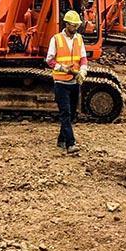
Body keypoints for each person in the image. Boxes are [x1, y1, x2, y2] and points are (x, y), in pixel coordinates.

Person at [46, 10, 88, 154]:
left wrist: (82, 71)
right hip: (61, 82)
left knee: (71, 114)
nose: (75, 28)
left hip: (74, 82)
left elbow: (83, 58)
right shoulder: (56, 39)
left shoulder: (79, 39)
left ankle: (61, 140)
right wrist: (63, 69)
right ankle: (71, 143)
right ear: (66, 24)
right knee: (65, 113)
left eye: (77, 25)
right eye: (73, 25)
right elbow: (49, 60)